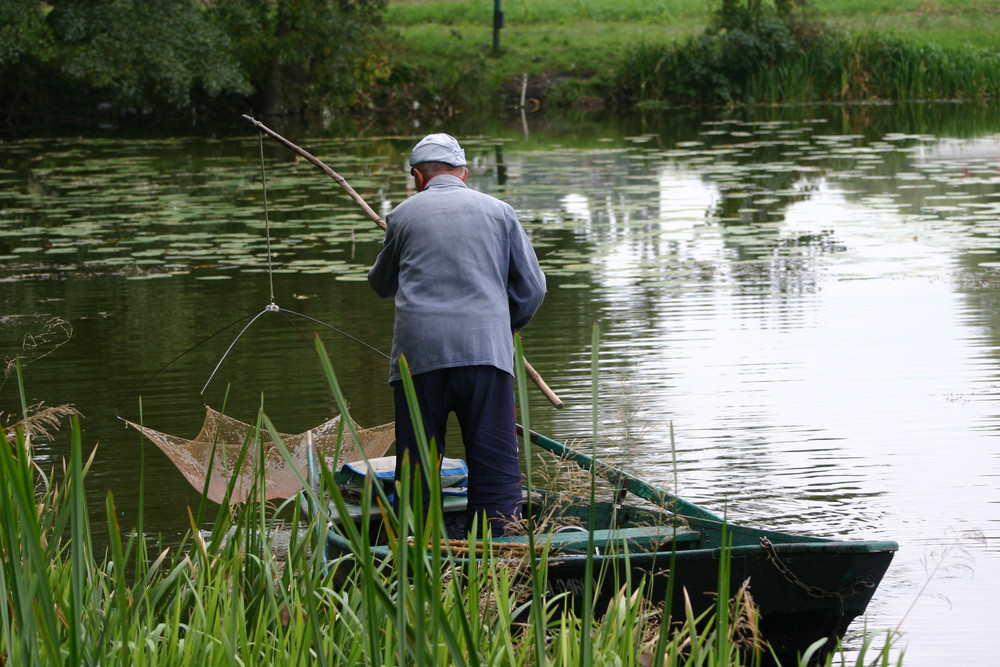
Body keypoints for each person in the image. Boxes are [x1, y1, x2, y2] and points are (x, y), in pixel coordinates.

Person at [367, 133, 546, 536]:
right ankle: (503, 553)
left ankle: (419, 549)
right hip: (487, 354)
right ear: (464, 173)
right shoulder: (501, 212)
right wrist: (506, 326)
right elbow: (533, 289)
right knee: (496, 464)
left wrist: (394, 238)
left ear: (418, 176)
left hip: (419, 361)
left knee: (417, 468)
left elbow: (380, 285)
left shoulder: (403, 216)